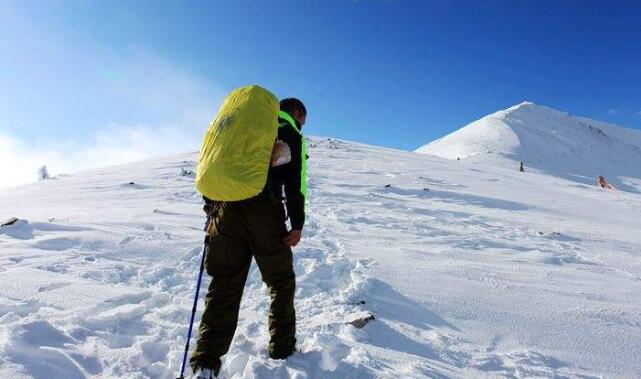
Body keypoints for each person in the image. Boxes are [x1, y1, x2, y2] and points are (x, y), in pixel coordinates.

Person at [189, 98, 308, 379]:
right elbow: (295, 183)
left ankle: (205, 363)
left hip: (225, 210)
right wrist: (297, 224)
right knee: (280, 282)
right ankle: (282, 348)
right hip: (263, 210)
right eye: (303, 120)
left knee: (223, 285)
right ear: (295, 113)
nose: (302, 125)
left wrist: (212, 210)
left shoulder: (242, 128)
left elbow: (215, 166)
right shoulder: (289, 131)